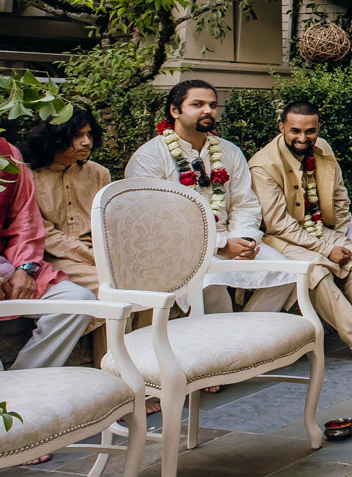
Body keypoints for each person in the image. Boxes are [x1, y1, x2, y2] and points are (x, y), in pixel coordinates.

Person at [0, 90, 93, 374]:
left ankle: (25, 381)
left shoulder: (4, 153)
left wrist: (24, 269)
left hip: (8, 267)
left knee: (79, 301)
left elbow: (24, 220)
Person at [125, 79, 293, 317]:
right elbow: (157, 223)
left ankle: (246, 333)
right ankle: (229, 345)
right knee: (212, 286)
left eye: (213, 105)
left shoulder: (229, 151)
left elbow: (245, 203)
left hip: (231, 239)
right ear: (175, 111)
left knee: (286, 274)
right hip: (180, 249)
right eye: (198, 104)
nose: (208, 110)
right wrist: (221, 245)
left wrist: (243, 240)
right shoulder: (150, 157)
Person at [248, 101, 352, 359]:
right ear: (282, 128)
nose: (303, 138)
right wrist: (326, 249)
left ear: (317, 129)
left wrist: (339, 235)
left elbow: (340, 197)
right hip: (280, 236)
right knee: (315, 271)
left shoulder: (323, 149)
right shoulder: (263, 164)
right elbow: (278, 222)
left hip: (319, 228)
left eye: (310, 131)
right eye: (295, 131)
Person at [19, 104, 111, 300]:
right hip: (55, 258)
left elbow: (108, 224)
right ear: (54, 136)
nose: (87, 142)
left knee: (143, 283)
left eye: (89, 135)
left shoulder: (99, 174)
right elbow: (43, 233)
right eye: (77, 136)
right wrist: (92, 257)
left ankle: (139, 333)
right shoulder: (28, 175)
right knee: (109, 287)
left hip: (100, 255)